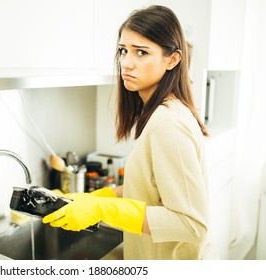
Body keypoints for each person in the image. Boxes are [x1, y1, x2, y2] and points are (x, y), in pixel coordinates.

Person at [43, 5, 218, 260]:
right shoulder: (159, 113)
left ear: (172, 59)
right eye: (124, 51)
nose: (126, 62)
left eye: (141, 52)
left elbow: (192, 224)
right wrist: (92, 198)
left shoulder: (168, 124)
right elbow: (152, 187)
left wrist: (103, 208)